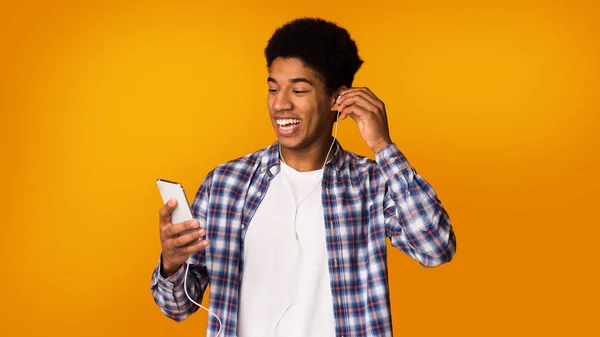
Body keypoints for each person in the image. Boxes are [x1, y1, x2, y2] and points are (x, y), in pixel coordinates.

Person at [150, 17, 456, 337]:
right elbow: (177, 307)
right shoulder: (226, 185)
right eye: (273, 88)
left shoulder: (372, 185)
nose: (280, 104)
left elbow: (435, 248)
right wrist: (171, 262)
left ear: (338, 99)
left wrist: (383, 146)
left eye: (298, 90)